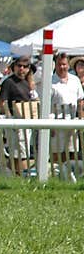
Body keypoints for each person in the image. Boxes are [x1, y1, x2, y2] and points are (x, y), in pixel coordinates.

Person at [0, 55, 36, 175]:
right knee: (19, 152)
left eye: (25, 66)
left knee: (22, 151)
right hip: (14, 121)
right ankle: (21, 175)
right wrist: (9, 120)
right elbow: (2, 103)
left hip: (27, 120)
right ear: (14, 67)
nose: (22, 69)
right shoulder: (9, 82)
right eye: (19, 66)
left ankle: (13, 174)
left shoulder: (29, 83)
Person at [49, 52, 84, 180]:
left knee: (71, 152)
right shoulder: (51, 81)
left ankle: (68, 177)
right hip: (56, 121)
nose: (62, 67)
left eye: (64, 64)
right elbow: (46, 104)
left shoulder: (75, 80)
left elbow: (80, 100)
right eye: (59, 64)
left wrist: (80, 119)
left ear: (68, 65)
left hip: (72, 121)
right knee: (56, 153)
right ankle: (56, 178)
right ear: (55, 65)